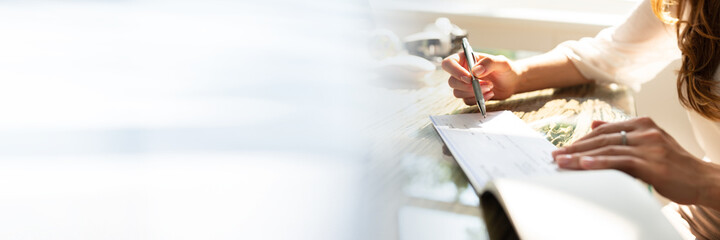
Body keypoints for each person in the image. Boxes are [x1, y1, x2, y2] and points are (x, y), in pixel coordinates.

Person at [442, 0, 720, 238]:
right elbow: (611, 54)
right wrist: (516, 75)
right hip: (704, 216)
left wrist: (706, 180)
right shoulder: (694, 5)